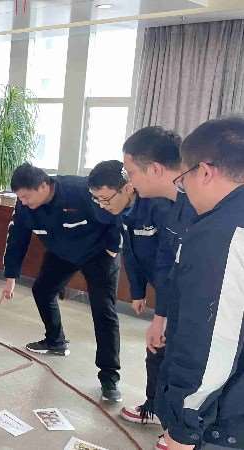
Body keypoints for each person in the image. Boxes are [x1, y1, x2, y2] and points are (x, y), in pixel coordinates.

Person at [153, 118, 244, 450]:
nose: (185, 191)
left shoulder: (222, 233)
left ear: (204, 172)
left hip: (223, 420)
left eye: (184, 179)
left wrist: (184, 427)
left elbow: (212, 340)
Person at [0, 163, 123, 402]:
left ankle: (109, 376)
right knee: (42, 290)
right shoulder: (25, 206)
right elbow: (16, 238)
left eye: (26, 196)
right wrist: (11, 277)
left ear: (43, 186)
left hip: (97, 254)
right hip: (61, 253)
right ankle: (55, 341)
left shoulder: (81, 191)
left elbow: (114, 214)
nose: (23, 202)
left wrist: (112, 248)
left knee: (103, 311)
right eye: (19, 197)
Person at [121, 126, 197, 450]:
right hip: (178, 306)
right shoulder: (172, 207)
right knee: (166, 361)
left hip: (206, 310)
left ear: (154, 169)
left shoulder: (201, 207)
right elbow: (168, 267)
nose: (130, 182)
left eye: (131, 172)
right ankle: (170, 424)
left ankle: (185, 435)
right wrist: (160, 317)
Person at [87, 159, 173, 426]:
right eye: (97, 200)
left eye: (105, 199)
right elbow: (132, 255)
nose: (102, 205)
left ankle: (170, 420)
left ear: (127, 188)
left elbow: (168, 264)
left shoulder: (160, 208)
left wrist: (161, 314)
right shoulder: (125, 213)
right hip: (164, 288)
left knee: (165, 348)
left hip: (180, 289)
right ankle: (156, 407)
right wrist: (138, 292)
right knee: (158, 347)